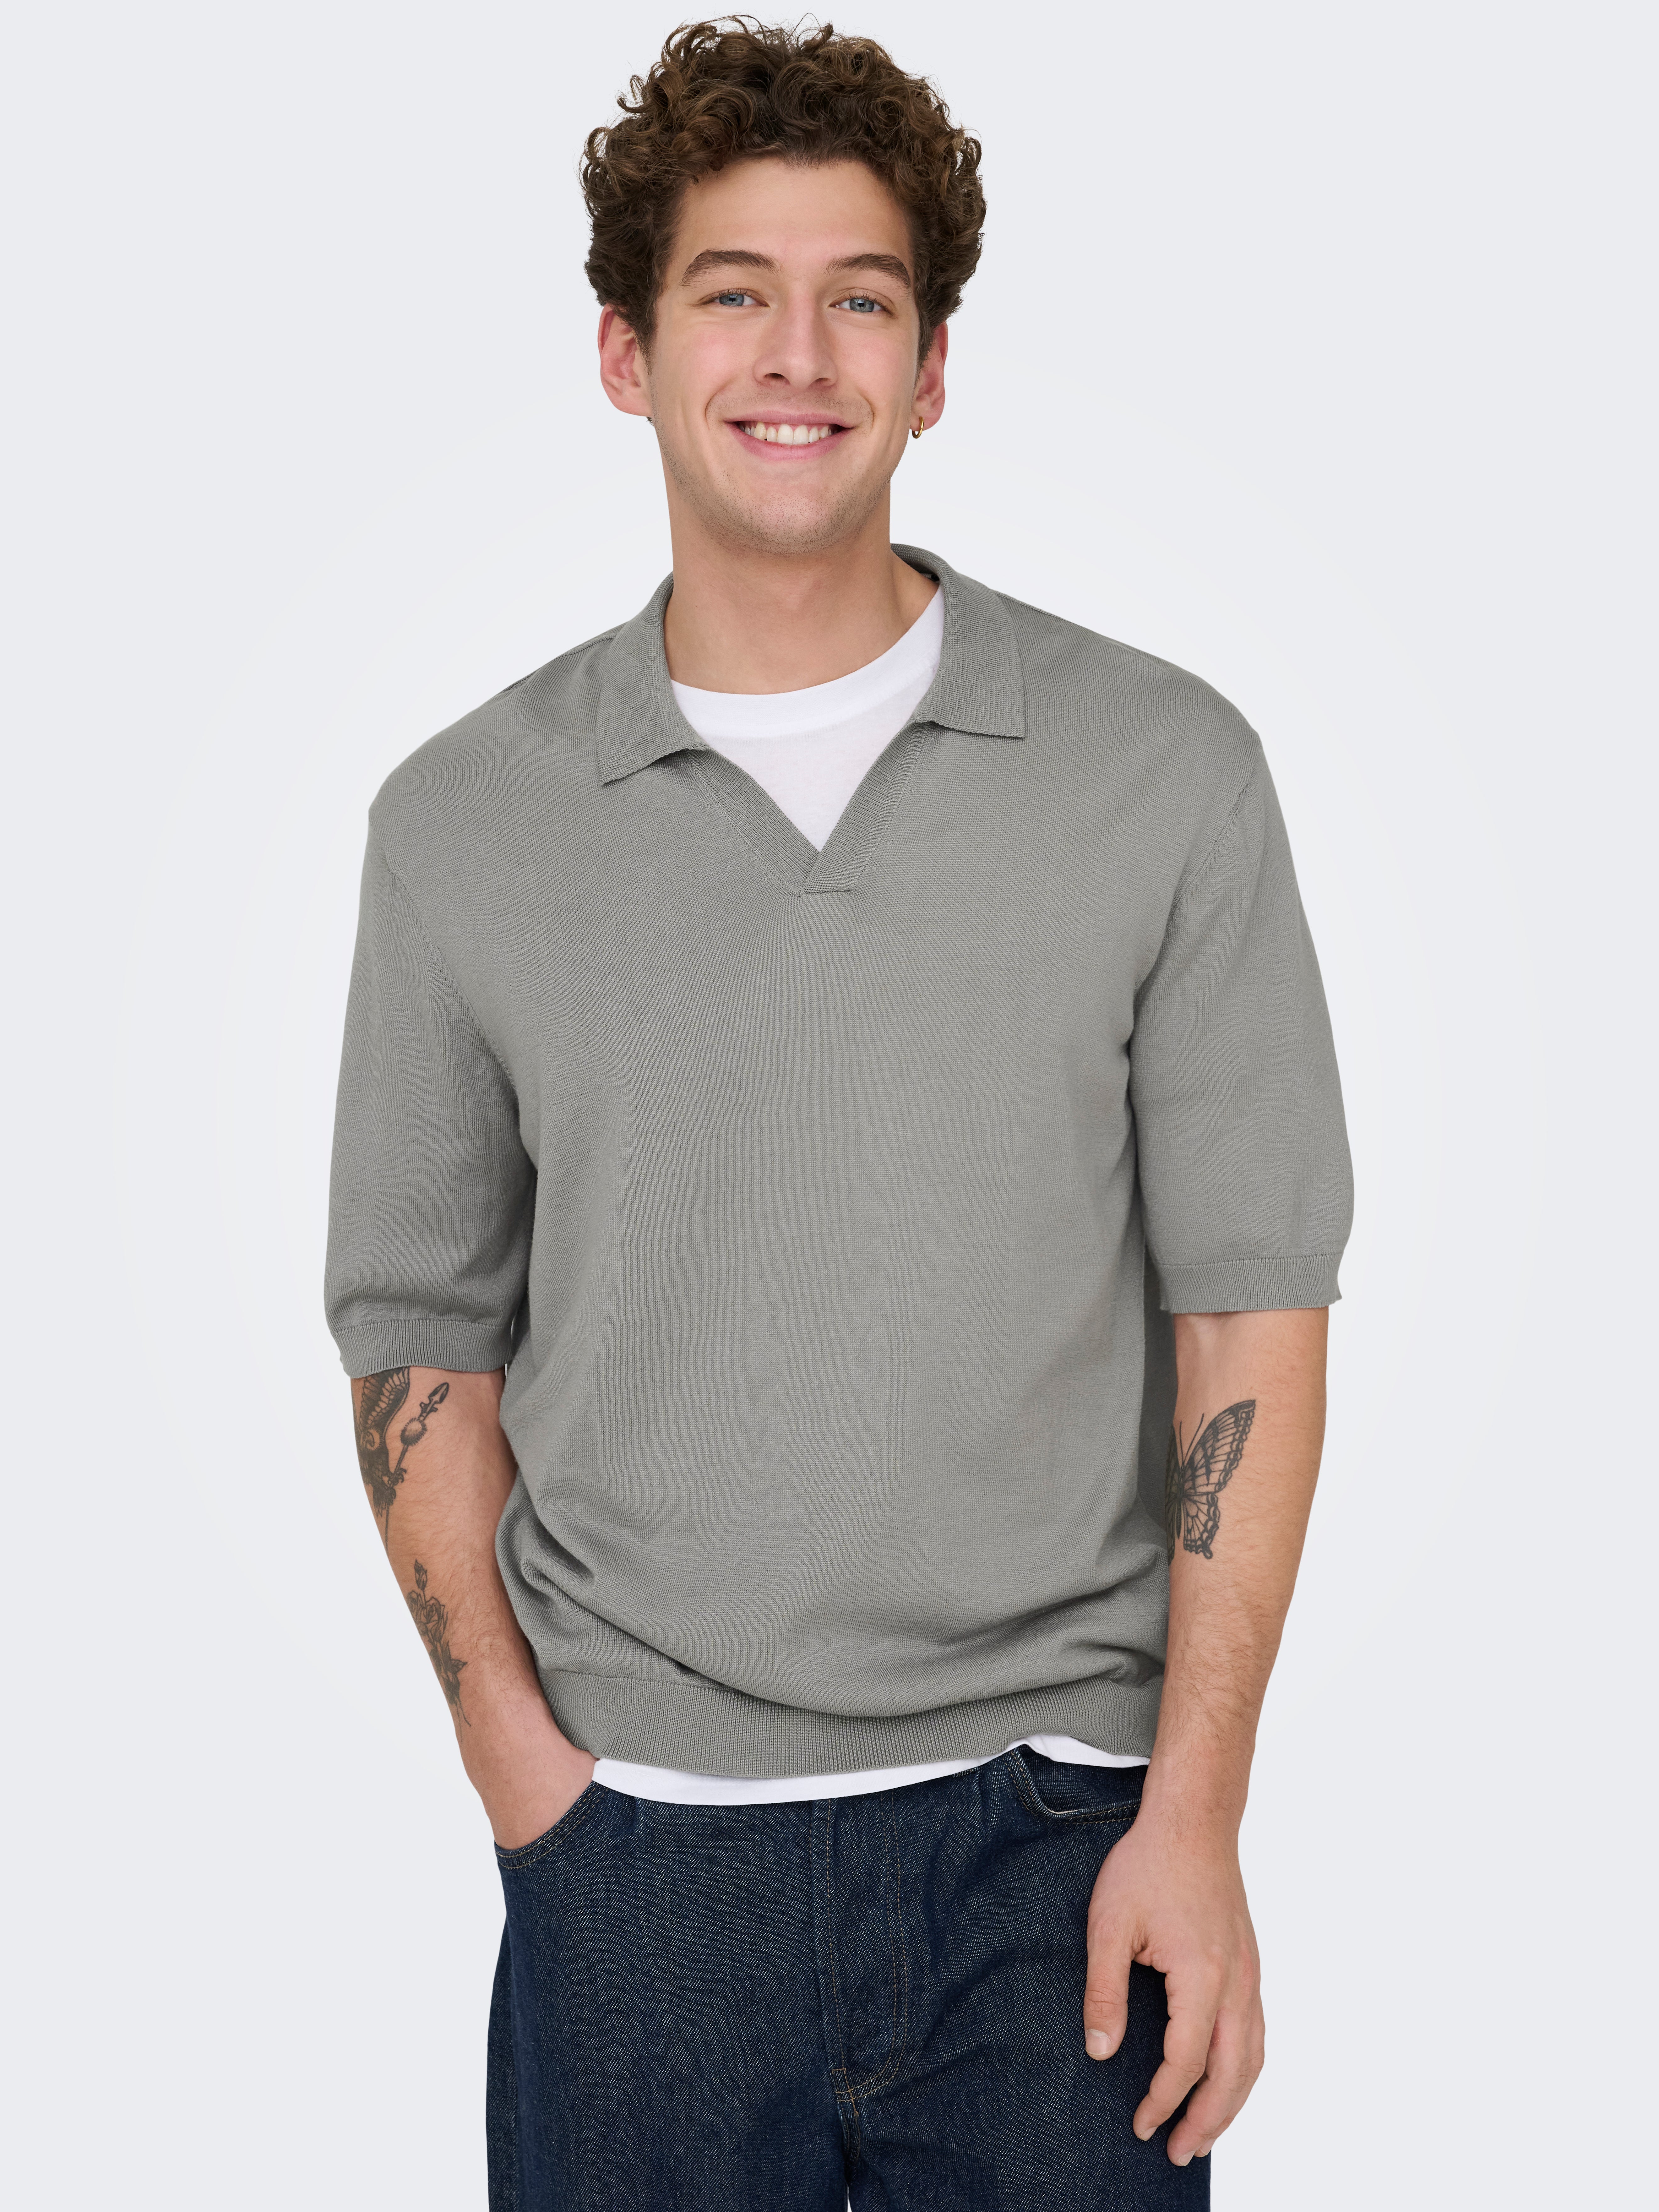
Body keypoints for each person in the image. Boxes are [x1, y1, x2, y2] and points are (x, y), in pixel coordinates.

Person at [324, 19, 1352, 2209]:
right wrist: (526, 1781)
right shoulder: (460, 823)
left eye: (860, 298)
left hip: (1062, 1851)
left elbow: (1247, 1318)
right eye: (734, 293)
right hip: (637, 1859)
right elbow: (418, 1338)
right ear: (627, 353)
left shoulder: (1164, 773)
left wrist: (1194, 1813)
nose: (798, 355)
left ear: (932, 365)